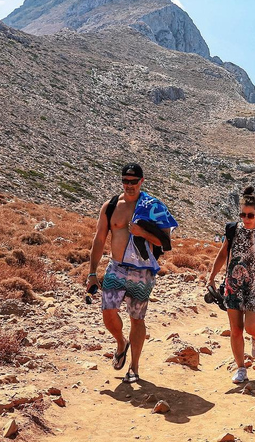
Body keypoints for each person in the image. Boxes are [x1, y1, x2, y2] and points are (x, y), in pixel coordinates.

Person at [87, 163, 177, 384]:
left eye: (133, 181)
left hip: (142, 271)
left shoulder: (153, 207)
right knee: (108, 312)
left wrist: (142, 232)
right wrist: (92, 272)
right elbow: (99, 239)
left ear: (141, 182)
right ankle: (120, 342)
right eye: (125, 181)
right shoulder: (110, 207)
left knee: (137, 318)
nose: (129, 185)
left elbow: (165, 243)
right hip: (116, 267)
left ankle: (134, 367)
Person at [207, 186, 255, 384]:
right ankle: (241, 368)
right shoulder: (234, 231)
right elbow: (223, 254)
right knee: (235, 330)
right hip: (234, 284)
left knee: (250, 326)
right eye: (242, 214)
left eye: (250, 215)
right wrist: (211, 277)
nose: (246, 218)